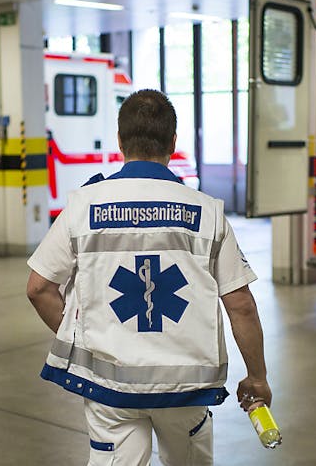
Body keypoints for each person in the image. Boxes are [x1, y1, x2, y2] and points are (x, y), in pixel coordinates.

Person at [26, 89, 270, 465]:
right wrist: (257, 377)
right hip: (185, 391)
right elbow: (241, 306)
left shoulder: (82, 205)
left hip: (110, 389)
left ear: (120, 140)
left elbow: (39, 288)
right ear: (174, 142)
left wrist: (81, 336)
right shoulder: (208, 213)